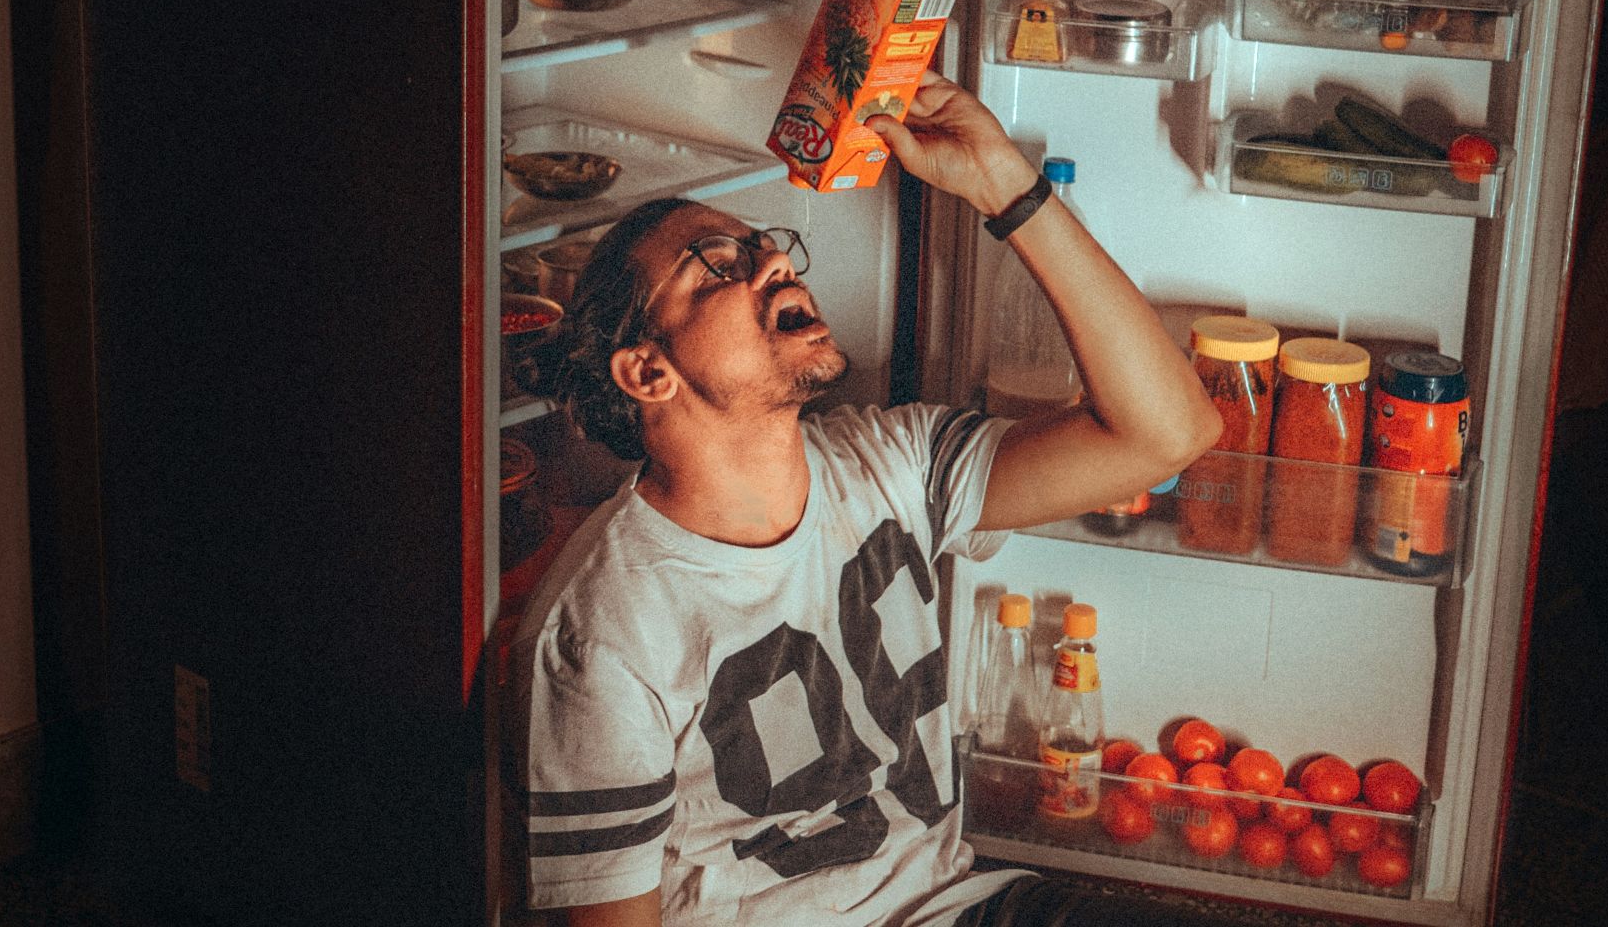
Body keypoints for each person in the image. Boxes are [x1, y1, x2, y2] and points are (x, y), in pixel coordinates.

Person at [510, 71, 1221, 926]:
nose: (774, 259)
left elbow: (1168, 434)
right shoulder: (605, 630)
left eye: (764, 244)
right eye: (720, 267)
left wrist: (1005, 184)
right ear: (647, 371)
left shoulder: (889, 461)